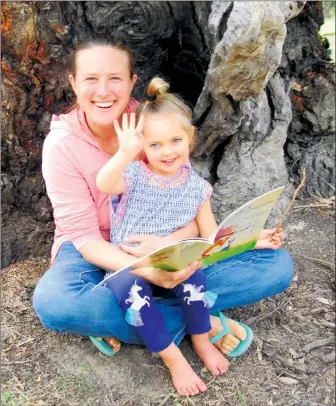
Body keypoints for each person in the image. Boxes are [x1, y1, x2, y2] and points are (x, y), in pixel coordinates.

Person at [32, 34, 293, 397]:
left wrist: (170, 245)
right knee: (54, 302)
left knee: (277, 266)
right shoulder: (62, 145)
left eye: (115, 78)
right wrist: (140, 267)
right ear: (74, 83)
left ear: (132, 82)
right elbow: (84, 235)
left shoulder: (154, 121)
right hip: (92, 247)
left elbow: (184, 197)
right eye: (91, 78)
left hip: (162, 240)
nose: (103, 90)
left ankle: (123, 317)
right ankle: (201, 320)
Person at [95, 76, 237, 393]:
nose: (167, 152)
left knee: (197, 279)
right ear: (143, 147)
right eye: (154, 144)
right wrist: (124, 154)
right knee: (131, 292)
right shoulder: (133, 175)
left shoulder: (198, 188)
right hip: (130, 265)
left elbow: (209, 231)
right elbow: (104, 184)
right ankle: (174, 359)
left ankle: (201, 340)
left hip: (172, 262)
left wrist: (242, 236)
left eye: (175, 141)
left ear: (191, 138)